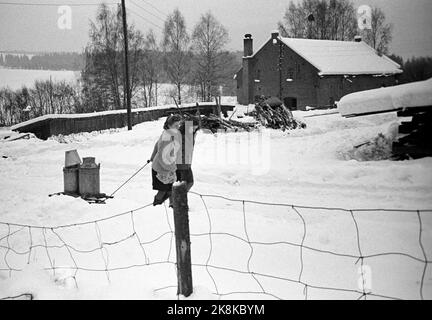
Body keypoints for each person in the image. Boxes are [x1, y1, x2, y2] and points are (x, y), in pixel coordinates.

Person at [149, 114, 182, 206]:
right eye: (176, 125)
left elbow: (157, 145)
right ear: (169, 125)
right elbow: (162, 156)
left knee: (170, 188)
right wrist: (171, 168)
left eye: (179, 125)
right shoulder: (168, 136)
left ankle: (172, 204)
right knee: (163, 190)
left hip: (166, 165)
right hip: (161, 168)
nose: (178, 127)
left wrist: (152, 156)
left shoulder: (169, 133)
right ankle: (156, 204)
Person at [176, 117, 200, 194]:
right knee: (187, 183)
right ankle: (177, 198)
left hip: (186, 163)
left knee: (188, 183)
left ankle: (177, 197)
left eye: (196, 129)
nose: (194, 130)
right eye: (193, 128)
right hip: (180, 164)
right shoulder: (180, 134)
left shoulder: (190, 134)